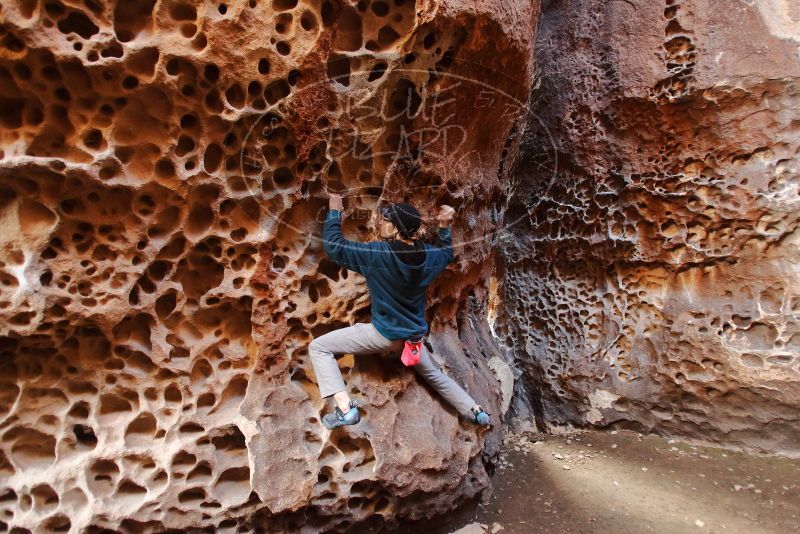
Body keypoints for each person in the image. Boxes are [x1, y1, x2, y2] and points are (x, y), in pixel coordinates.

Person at [308, 192, 491, 430]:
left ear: (395, 228)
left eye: (385, 220)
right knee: (435, 375)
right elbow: (447, 252)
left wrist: (335, 211)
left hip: (383, 336)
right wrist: (445, 226)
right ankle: (476, 412)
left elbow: (335, 247)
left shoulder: (378, 255)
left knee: (319, 347)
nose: (380, 223)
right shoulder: (429, 256)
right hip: (413, 338)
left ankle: (344, 409)